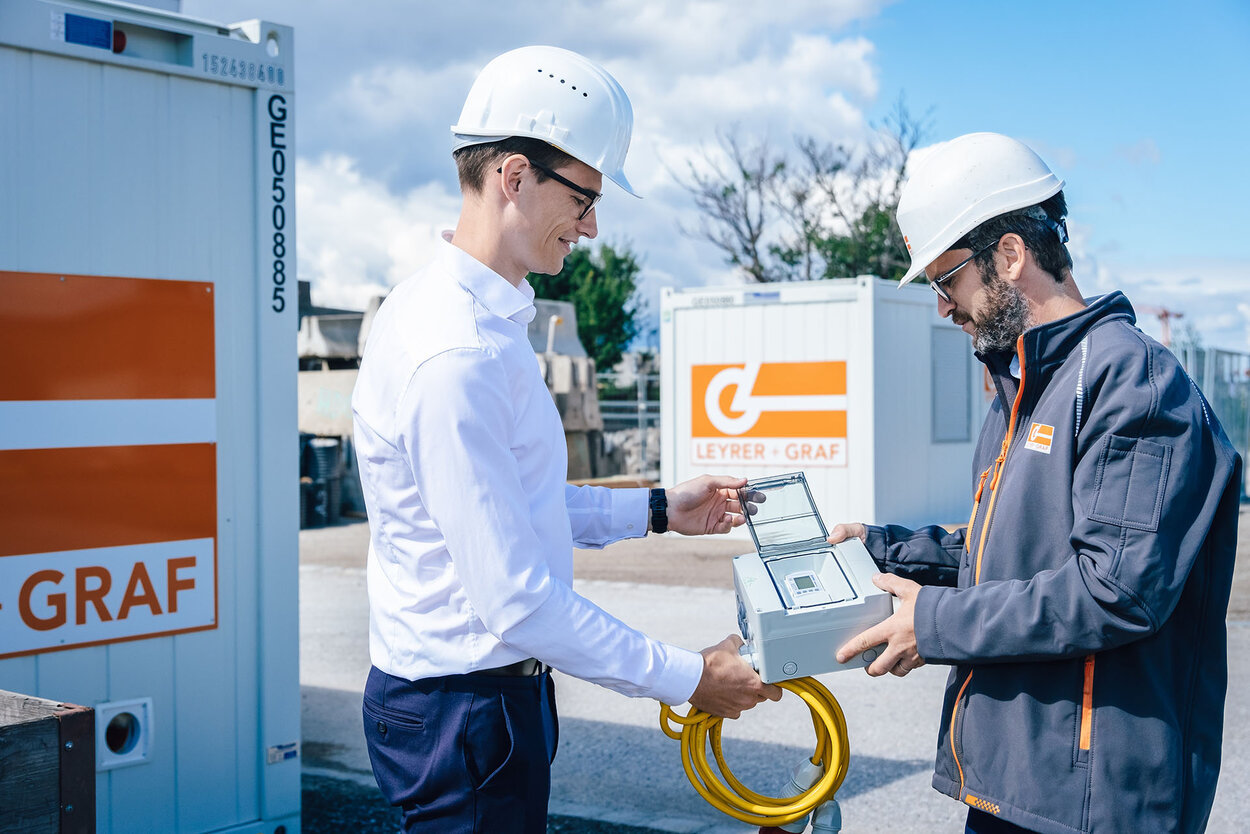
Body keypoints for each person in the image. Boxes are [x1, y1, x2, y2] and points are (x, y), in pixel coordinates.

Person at [351, 45, 780, 834]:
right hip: (465, 712)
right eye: (583, 198)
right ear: (514, 176)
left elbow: (518, 501)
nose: (591, 226)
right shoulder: (457, 354)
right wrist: (690, 677)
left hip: (474, 703)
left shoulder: (467, 318)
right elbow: (515, 598)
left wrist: (658, 508)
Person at [830, 132, 1241, 834]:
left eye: (945, 280)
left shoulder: (1132, 382)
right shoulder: (1021, 390)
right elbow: (1012, 552)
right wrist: (878, 549)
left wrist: (932, 622)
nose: (943, 307)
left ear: (1011, 255)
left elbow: (1114, 592)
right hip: (1018, 788)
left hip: (1095, 805)